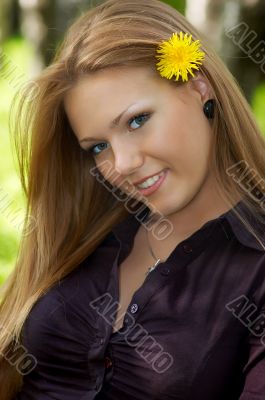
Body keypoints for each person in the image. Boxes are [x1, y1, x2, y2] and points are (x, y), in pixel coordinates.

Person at [1, 0, 265, 398]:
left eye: (137, 120)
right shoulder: (86, 233)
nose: (121, 164)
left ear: (199, 89)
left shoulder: (255, 268)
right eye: (97, 146)